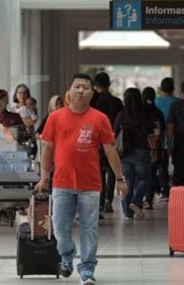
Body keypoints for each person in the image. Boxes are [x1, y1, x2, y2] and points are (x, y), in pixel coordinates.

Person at [35, 73, 127, 284]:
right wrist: (44, 177)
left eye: (85, 87)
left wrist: (120, 178)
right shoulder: (55, 117)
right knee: (59, 227)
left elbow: (110, 151)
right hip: (62, 183)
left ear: (92, 92)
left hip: (90, 184)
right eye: (77, 86)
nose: (80, 90)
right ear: (70, 90)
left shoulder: (100, 118)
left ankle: (87, 268)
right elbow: (47, 149)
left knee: (89, 228)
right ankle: (67, 255)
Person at [114, 88, 156, 219]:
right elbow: (151, 134)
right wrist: (154, 150)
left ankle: (127, 212)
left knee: (128, 182)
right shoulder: (145, 115)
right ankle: (136, 201)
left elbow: (114, 132)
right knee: (145, 179)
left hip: (125, 152)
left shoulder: (121, 114)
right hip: (141, 151)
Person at [92, 72, 123, 214]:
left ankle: (99, 202)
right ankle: (108, 201)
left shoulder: (93, 102)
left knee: (97, 171)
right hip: (112, 139)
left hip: (95, 140)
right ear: (109, 84)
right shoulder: (117, 102)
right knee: (111, 170)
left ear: (95, 85)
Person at [141, 87, 165, 210]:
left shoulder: (139, 112)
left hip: (140, 146)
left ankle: (139, 197)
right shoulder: (158, 112)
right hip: (156, 147)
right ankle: (148, 200)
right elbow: (163, 131)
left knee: (140, 174)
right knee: (151, 173)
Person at [154, 77, 179, 199]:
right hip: (177, 139)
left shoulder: (155, 102)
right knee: (178, 165)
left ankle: (165, 191)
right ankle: (176, 185)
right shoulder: (178, 102)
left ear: (160, 89)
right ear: (173, 89)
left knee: (162, 166)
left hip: (159, 139)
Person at [167, 79, 184, 187]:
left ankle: (180, 194)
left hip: (180, 140)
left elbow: (170, 127)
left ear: (181, 91)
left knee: (179, 170)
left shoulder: (175, 106)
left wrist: (169, 144)